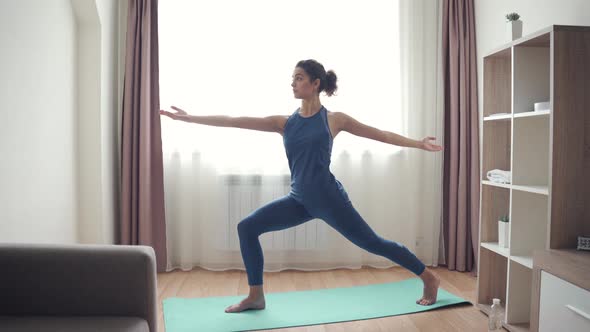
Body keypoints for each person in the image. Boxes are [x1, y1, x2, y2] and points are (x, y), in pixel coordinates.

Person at [160, 59, 443, 313]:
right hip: (299, 200)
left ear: (315, 84)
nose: (293, 83)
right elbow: (234, 121)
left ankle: (428, 277)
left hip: (330, 199)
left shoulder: (334, 120)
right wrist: (189, 118)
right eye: (292, 78)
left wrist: (418, 144)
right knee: (247, 227)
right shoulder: (284, 123)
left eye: (299, 78)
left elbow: (380, 134)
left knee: (373, 243)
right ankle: (256, 296)